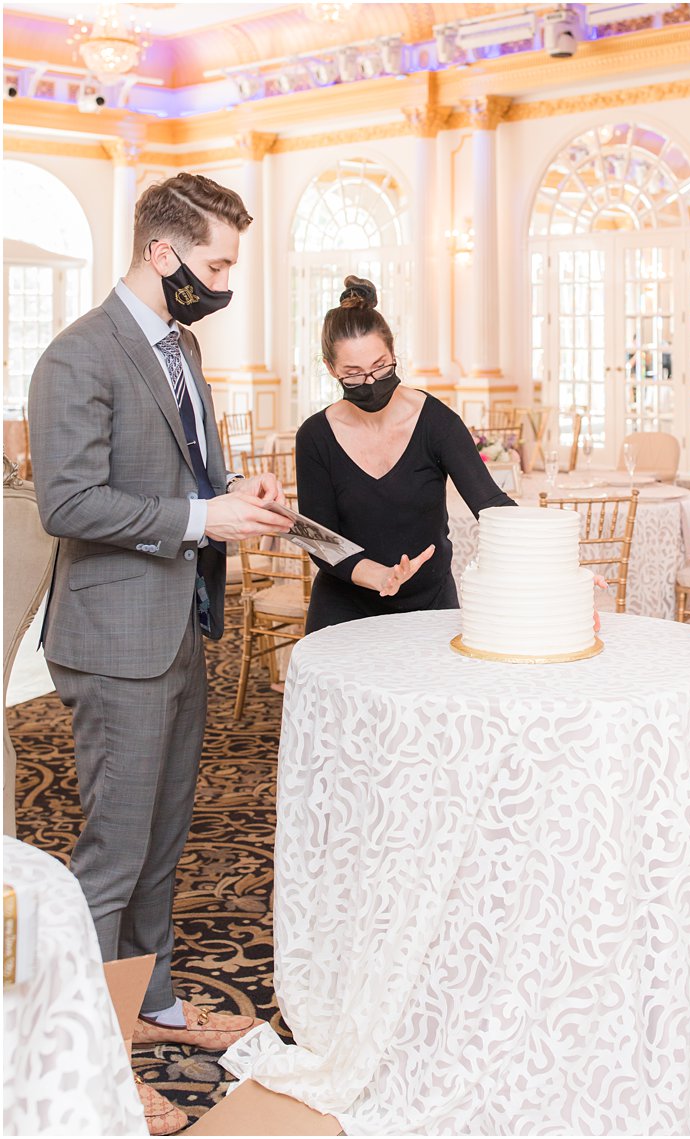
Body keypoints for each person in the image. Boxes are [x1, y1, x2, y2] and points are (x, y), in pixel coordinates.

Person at [28, 172, 292, 1135]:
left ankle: (157, 1007)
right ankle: (95, 1062)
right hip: (113, 641)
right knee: (111, 856)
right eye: (217, 263)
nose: (225, 282)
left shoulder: (180, 348)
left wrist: (236, 494)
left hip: (181, 627)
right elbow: (68, 502)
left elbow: (186, 479)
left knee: (162, 847)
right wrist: (199, 514)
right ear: (164, 253)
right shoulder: (77, 356)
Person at [294, 276, 515, 633]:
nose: (370, 382)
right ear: (330, 368)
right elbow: (320, 541)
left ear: (394, 353)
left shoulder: (436, 422)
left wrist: (558, 571)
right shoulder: (315, 437)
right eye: (353, 374)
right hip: (343, 611)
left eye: (381, 367)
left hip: (430, 608)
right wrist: (379, 575)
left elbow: (492, 505)